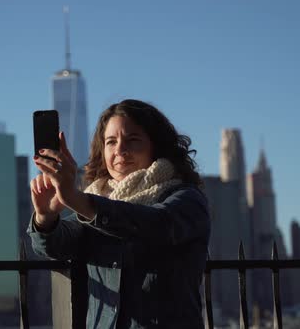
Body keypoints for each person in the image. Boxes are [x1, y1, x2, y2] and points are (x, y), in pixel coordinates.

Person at [28, 99, 210, 328]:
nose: (120, 150)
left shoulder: (187, 199)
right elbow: (56, 246)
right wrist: (46, 216)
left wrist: (76, 199)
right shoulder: (98, 198)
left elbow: (157, 224)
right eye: (111, 142)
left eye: (132, 140)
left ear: (156, 145)